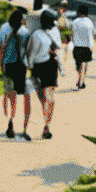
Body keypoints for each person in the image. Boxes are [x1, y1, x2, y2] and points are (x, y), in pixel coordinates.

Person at [0, 7, 32, 140]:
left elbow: (2, 48)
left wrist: (2, 64)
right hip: (21, 67)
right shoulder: (26, 33)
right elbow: (28, 51)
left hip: (9, 66)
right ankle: (24, 128)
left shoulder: (7, 33)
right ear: (22, 20)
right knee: (24, 95)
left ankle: (10, 123)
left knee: (11, 95)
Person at [26, 9, 61, 138]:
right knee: (49, 97)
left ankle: (46, 120)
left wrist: (28, 66)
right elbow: (60, 48)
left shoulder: (36, 35)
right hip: (51, 65)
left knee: (43, 98)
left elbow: (32, 54)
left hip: (38, 67)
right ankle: (47, 125)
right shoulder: (55, 32)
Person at [70, 6, 95, 88]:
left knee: (78, 65)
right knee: (84, 65)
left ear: (79, 12)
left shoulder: (74, 22)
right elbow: (92, 34)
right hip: (87, 46)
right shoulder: (89, 22)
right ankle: (81, 80)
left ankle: (80, 80)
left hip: (77, 46)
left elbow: (72, 33)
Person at [56, 1, 72, 72]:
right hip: (60, 40)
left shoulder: (65, 19)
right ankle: (62, 68)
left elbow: (68, 27)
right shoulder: (59, 18)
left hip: (64, 40)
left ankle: (63, 68)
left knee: (64, 54)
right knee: (61, 54)